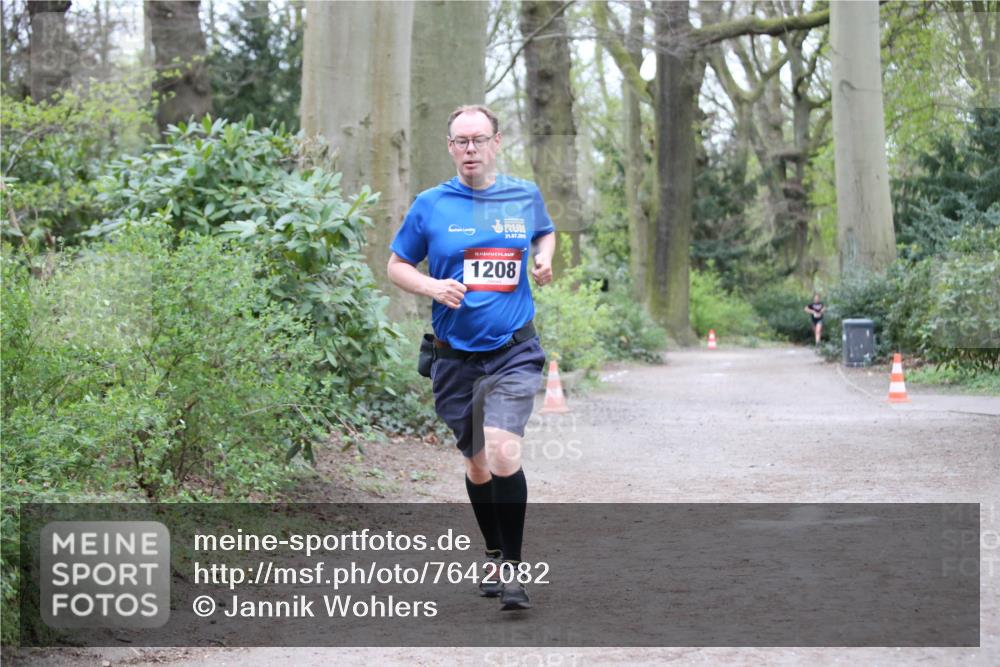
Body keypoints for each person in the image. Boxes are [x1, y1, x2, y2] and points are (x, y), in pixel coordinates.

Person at [386, 105, 556, 611]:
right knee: (478, 464)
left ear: (496, 143)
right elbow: (396, 265)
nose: (470, 150)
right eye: (461, 141)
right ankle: (494, 550)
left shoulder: (523, 195)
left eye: (479, 140)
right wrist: (432, 286)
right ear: (450, 148)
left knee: (503, 451)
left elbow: (545, 231)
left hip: (513, 350)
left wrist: (544, 257)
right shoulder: (430, 204)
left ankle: (514, 570)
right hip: (453, 358)